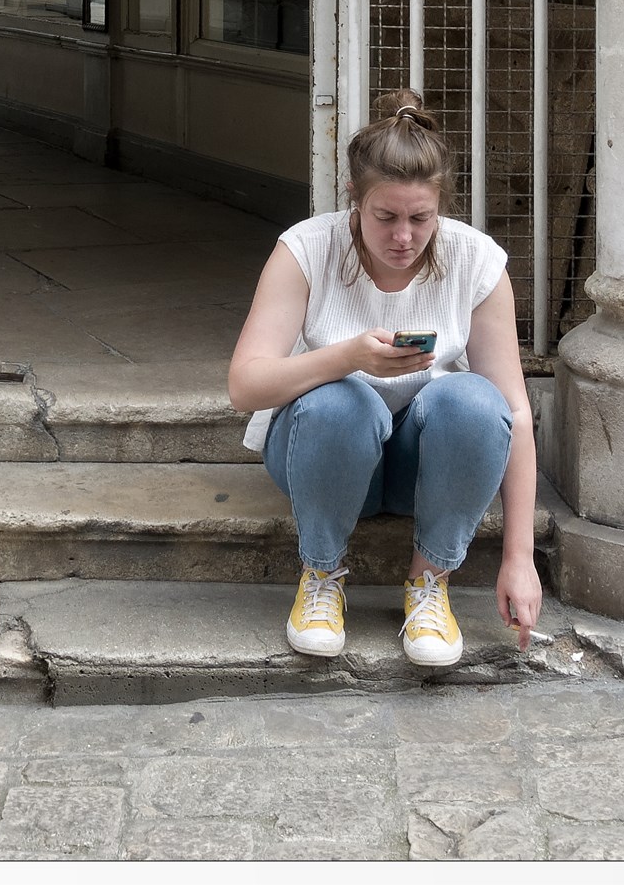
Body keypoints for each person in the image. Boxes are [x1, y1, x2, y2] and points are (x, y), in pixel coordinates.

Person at [226, 90, 540, 667]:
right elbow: (245, 385)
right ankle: (320, 575)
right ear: (354, 200)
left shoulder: (476, 261)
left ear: (441, 205)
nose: (404, 236)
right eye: (385, 217)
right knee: (343, 402)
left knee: (474, 398)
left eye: (421, 218)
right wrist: (347, 358)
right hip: (320, 448)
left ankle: (429, 583)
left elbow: (515, 412)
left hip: (423, 465)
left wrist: (519, 557)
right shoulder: (306, 249)